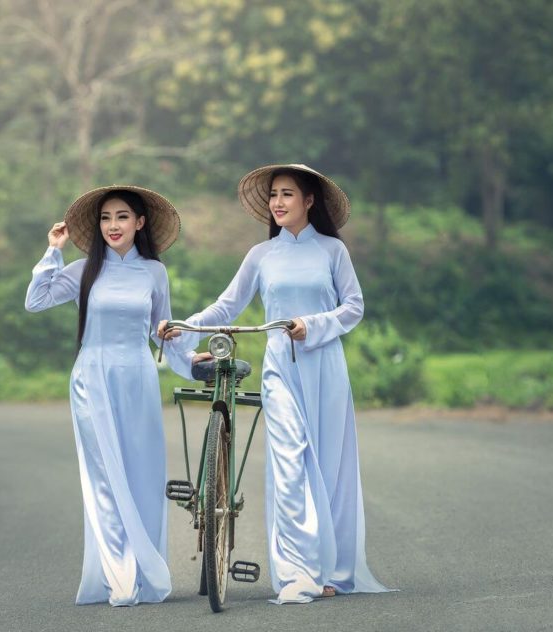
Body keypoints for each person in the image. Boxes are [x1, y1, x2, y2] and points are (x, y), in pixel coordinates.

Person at [160, 164, 393, 604]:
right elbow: (227, 305)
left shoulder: (332, 252)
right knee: (288, 464)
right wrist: (185, 326)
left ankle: (332, 571)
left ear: (310, 202)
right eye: (274, 195)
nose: (279, 202)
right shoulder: (261, 255)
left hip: (325, 368)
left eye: (289, 194)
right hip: (280, 370)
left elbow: (354, 307)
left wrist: (313, 323)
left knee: (328, 468)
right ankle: (296, 573)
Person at [26, 186, 193, 607]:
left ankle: (141, 569)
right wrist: (53, 252)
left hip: (138, 377)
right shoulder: (86, 270)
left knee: (141, 476)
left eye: (122, 217)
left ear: (140, 223)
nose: (112, 226)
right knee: (104, 479)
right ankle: (118, 576)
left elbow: (164, 332)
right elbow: (36, 300)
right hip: (92, 378)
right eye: (105, 218)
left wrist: (192, 362)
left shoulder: (155, 272)